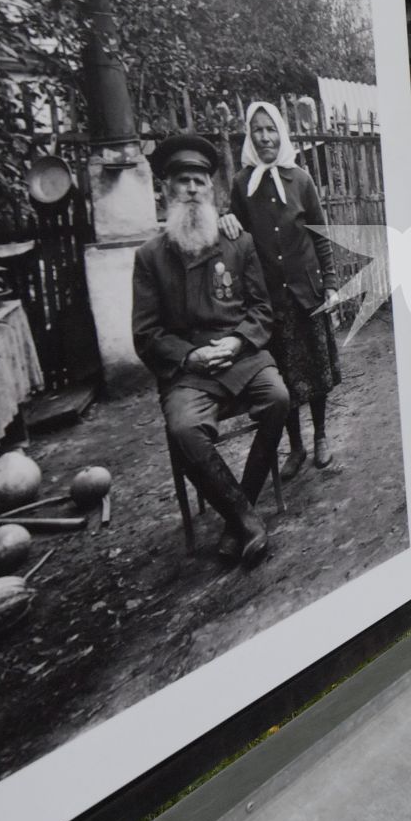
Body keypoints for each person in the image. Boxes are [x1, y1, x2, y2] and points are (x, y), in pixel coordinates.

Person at [133, 134, 289, 565]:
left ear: (212, 188)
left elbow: (262, 308)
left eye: (200, 180)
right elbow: (145, 334)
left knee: (279, 398)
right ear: (167, 190)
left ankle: (236, 517)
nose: (192, 189)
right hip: (188, 370)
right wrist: (187, 356)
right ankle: (245, 518)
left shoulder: (236, 241)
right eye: (182, 181)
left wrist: (239, 339)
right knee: (184, 429)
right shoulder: (151, 256)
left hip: (242, 356)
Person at [219, 102, 343, 478]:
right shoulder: (242, 185)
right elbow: (234, 232)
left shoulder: (300, 179)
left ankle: (320, 435)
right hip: (269, 300)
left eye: (270, 129)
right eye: (257, 130)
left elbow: (321, 238)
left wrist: (332, 284)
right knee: (284, 375)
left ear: (281, 133)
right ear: (249, 136)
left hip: (307, 293)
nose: (265, 137)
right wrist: (225, 217)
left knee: (317, 371)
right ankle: (296, 447)